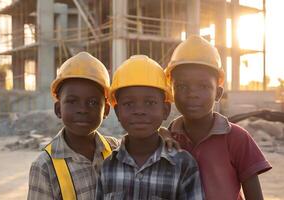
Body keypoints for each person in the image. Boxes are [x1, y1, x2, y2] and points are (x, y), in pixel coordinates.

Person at [164, 35, 272, 200]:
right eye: (182, 86)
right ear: (172, 92)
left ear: (218, 93)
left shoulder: (237, 138)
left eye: (203, 86)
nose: (192, 94)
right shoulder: (169, 138)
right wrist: (162, 133)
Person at [96, 55, 204, 200]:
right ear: (117, 112)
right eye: (129, 104)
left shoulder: (183, 165)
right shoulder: (107, 167)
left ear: (165, 110)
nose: (139, 111)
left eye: (149, 103)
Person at [27, 52, 119, 200]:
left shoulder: (117, 150)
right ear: (58, 109)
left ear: (106, 110)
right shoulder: (45, 166)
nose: (82, 109)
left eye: (93, 102)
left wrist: (167, 133)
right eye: (72, 101)